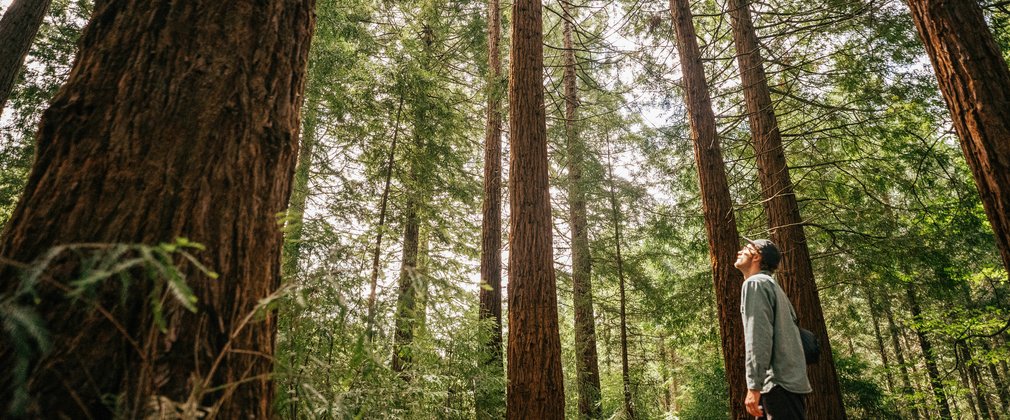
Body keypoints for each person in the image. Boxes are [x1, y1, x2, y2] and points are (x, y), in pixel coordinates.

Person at [734, 238, 812, 419]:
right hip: (790, 385)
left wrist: (754, 386)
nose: (739, 252)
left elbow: (758, 335)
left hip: (777, 385)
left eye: (745, 249)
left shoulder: (755, 284)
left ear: (757, 256)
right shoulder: (773, 287)